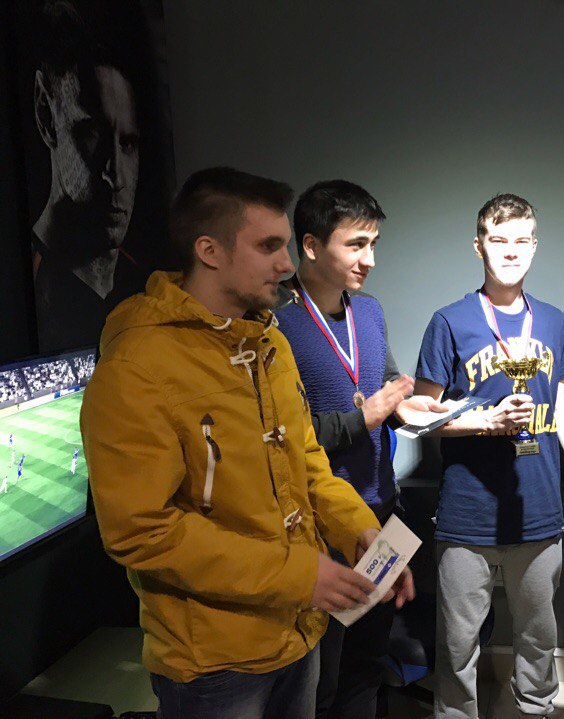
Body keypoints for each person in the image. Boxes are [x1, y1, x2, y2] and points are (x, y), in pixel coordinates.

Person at [80, 167, 412, 719]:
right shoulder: (137, 365)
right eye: (268, 246)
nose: (286, 264)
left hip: (298, 631)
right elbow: (141, 531)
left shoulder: (268, 342)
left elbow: (307, 462)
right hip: (216, 663)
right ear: (209, 251)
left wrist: (360, 530)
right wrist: (301, 575)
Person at [414, 193, 564, 719]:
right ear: (478, 246)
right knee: (457, 646)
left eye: (522, 240)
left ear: (535, 246)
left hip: (538, 511)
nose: (511, 251)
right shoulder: (449, 321)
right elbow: (419, 415)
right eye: (499, 239)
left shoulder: (552, 321)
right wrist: (486, 421)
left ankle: (536, 709)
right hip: (467, 516)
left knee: (538, 639)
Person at [275, 179, 434, 718]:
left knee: (368, 663)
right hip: (318, 527)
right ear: (311, 245)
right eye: (356, 245)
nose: (370, 260)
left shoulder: (369, 311)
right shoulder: (274, 322)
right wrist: (359, 419)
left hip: (380, 512)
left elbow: (383, 381)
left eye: (373, 244)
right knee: (319, 680)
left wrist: (408, 405)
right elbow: (278, 437)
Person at [31, 0, 142, 351]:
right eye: (92, 134)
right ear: (46, 116)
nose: (116, 176)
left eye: (128, 143)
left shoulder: (143, 282)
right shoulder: (37, 286)